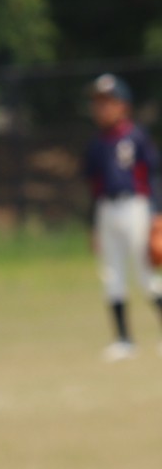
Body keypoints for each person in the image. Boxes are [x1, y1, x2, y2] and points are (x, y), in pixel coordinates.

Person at [83, 72, 162, 360]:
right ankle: (124, 339)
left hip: (136, 207)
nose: (101, 108)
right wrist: (92, 224)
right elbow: (94, 186)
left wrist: (157, 214)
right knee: (112, 275)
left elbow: (152, 175)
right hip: (107, 209)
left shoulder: (136, 136)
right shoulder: (96, 145)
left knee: (145, 272)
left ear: (123, 105)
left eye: (108, 101)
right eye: (97, 103)